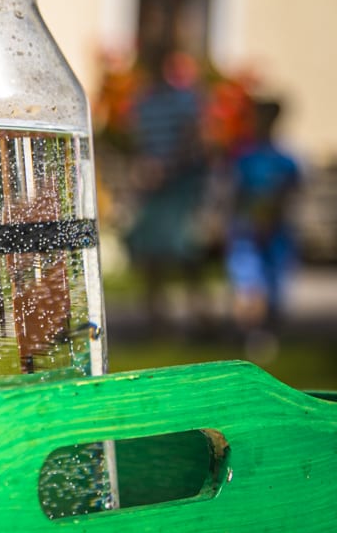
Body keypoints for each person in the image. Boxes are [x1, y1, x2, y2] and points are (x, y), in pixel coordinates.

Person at [123, 50, 210, 333]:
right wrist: (141, 170)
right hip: (153, 187)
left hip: (180, 184)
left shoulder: (185, 100)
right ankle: (155, 316)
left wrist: (167, 168)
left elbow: (193, 138)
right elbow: (137, 142)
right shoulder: (143, 102)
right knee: (152, 252)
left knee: (186, 248)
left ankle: (199, 314)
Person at [226, 99, 303, 350]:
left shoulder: (286, 158)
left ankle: (267, 335)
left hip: (276, 230)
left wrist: (271, 216)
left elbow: (291, 192)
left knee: (274, 284)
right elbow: (234, 193)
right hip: (246, 230)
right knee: (247, 284)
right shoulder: (244, 156)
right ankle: (249, 334)